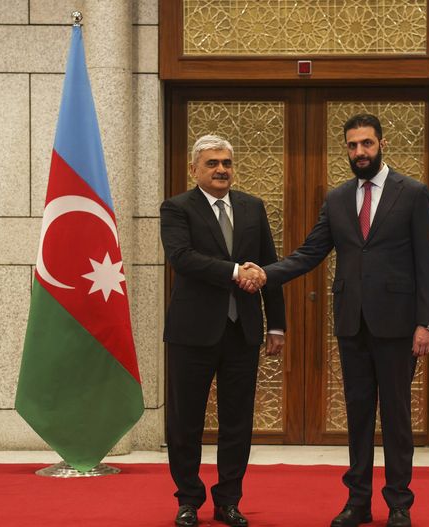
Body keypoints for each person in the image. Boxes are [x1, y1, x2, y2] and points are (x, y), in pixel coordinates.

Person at [241, 114, 429, 527]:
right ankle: (359, 502)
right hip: (352, 325)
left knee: (398, 418)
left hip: (399, 326)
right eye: (352, 146)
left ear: (382, 144)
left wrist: (428, 323)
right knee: (359, 413)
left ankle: (399, 503)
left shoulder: (413, 193)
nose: (359, 153)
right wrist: (265, 273)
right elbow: (309, 253)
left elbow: (428, 263)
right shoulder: (337, 199)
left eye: (366, 144)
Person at [160, 134, 286, 527]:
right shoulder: (177, 208)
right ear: (194, 169)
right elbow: (182, 258)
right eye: (212, 163)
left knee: (237, 422)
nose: (221, 170)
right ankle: (188, 500)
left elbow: (268, 266)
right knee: (186, 423)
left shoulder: (252, 207)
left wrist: (277, 324)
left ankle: (229, 499)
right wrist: (235, 272)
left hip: (241, 332)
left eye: (226, 163)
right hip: (192, 333)